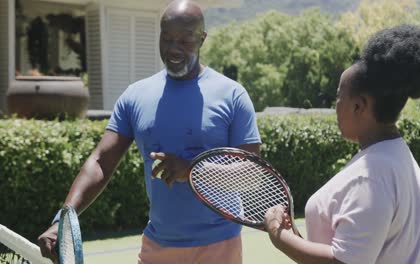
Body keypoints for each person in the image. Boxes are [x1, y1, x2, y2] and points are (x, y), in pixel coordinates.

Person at [37, 1, 261, 263]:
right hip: (157, 245)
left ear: (202, 39)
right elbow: (100, 162)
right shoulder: (135, 96)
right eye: (166, 39)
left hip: (218, 245)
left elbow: (251, 174)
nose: (174, 49)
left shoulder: (232, 95)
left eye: (185, 40)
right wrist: (64, 218)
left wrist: (191, 171)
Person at [264, 24, 420, 264]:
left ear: (359, 106)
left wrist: (280, 237)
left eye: (339, 97)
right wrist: (295, 239)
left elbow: (344, 262)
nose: (335, 106)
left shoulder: (371, 175)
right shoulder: (398, 157)